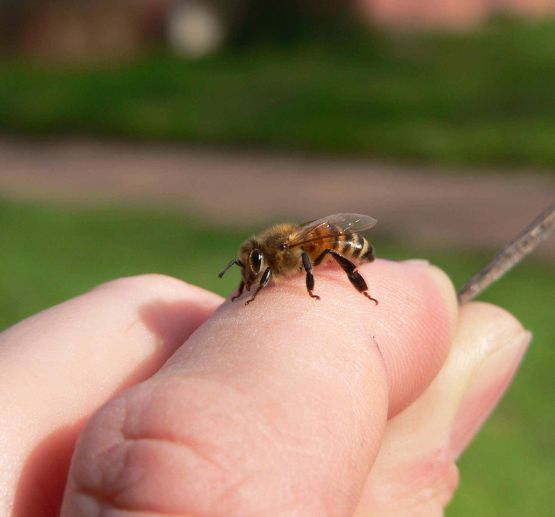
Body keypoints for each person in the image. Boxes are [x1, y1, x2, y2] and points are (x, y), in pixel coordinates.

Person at [0, 260, 530, 516]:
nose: (251, 277)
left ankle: (364, 293)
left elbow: (303, 263)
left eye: (253, 270)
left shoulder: (296, 255)